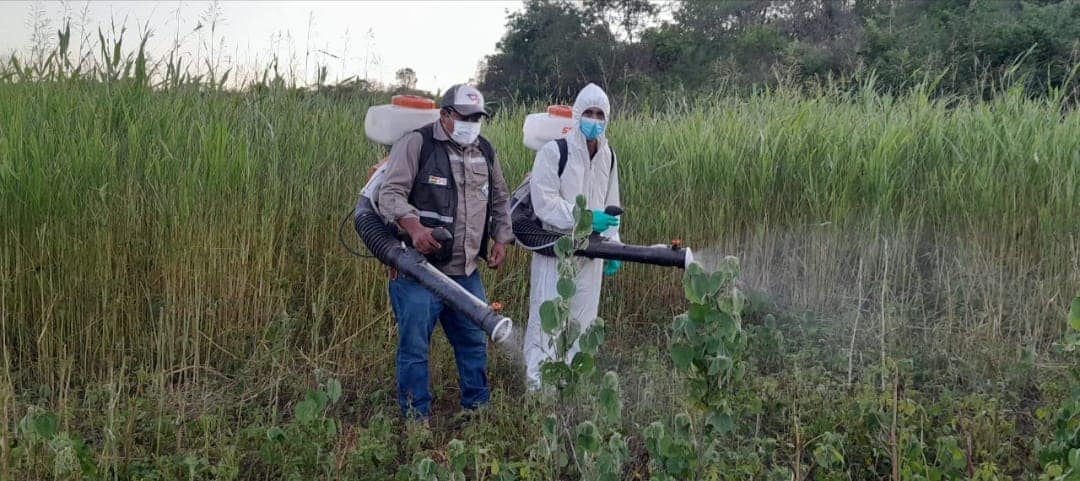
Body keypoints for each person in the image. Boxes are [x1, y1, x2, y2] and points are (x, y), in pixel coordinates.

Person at [377, 84, 515, 420]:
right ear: (446, 115)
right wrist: (413, 227)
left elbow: (499, 199)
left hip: (466, 273)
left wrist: (500, 237)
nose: (472, 123)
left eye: (477, 118)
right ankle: (416, 420)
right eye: (465, 117)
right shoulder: (418, 143)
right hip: (420, 273)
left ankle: (476, 414)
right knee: (414, 350)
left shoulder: (484, 150)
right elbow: (390, 193)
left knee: (473, 343)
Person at [523, 83, 622, 390]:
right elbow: (544, 203)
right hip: (556, 249)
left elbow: (612, 204)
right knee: (547, 321)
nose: (595, 120)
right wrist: (586, 219)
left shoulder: (609, 156)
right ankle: (539, 393)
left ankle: (571, 390)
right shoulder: (555, 151)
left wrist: (613, 248)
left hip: (591, 254)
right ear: (578, 114)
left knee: (582, 320)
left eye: (600, 114)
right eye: (589, 113)